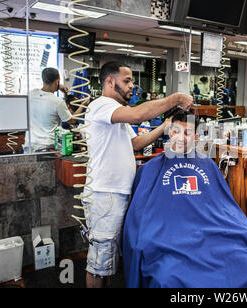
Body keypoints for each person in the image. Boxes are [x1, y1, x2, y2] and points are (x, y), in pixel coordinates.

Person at [122, 110, 247, 288]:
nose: (181, 138)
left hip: (212, 233)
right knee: (167, 277)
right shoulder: (150, 169)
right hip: (168, 235)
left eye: (187, 133)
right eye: (176, 131)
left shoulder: (208, 165)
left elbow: (224, 206)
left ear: (196, 136)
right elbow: (138, 215)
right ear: (169, 132)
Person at [81, 61, 193, 288]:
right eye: (127, 81)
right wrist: (175, 98)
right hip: (105, 193)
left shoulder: (115, 114)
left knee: (110, 260)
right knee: (99, 262)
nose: (133, 86)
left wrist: (163, 127)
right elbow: (137, 115)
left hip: (118, 193)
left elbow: (135, 143)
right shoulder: (101, 105)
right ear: (110, 82)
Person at [25, 67, 88, 151]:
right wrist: (82, 105)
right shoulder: (57, 102)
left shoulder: (31, 94)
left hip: (29, 144)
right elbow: (72, 120)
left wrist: (58, 86)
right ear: (57, 82)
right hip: (46, 146)